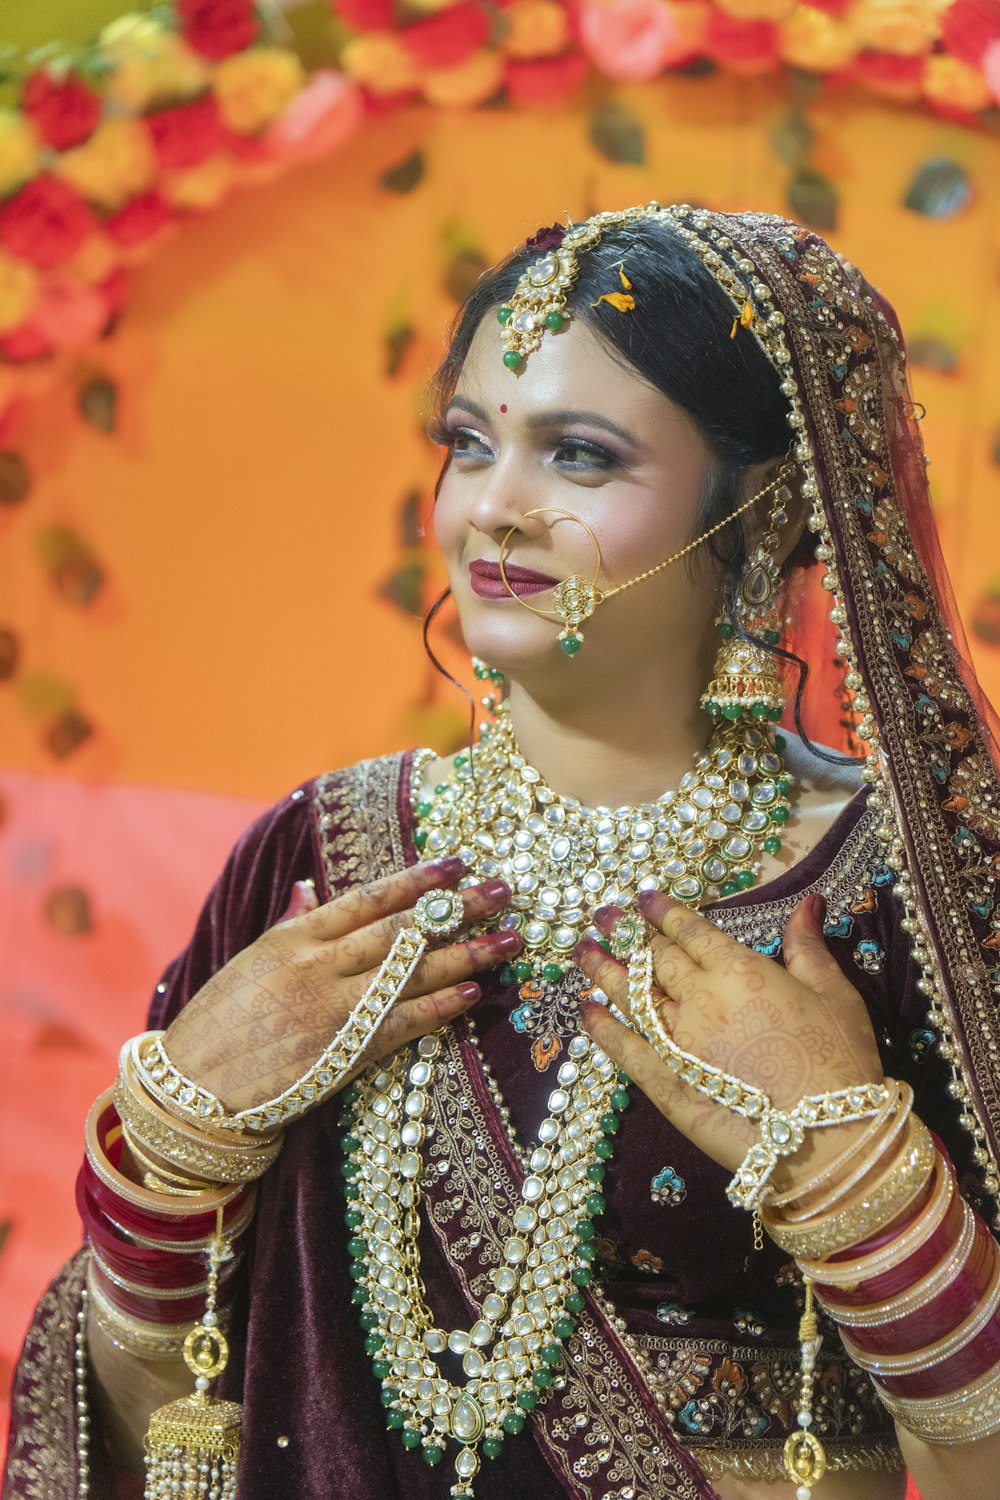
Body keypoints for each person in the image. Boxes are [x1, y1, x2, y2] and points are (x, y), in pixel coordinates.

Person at [5, 202, 1000, 1500]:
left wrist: (850, 1168)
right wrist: (171, 1142)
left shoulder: (907, 895)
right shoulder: (318, 861)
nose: (494, 509)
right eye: (469, 444)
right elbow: (150, 1421)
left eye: (578, 456)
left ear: (759, 517)